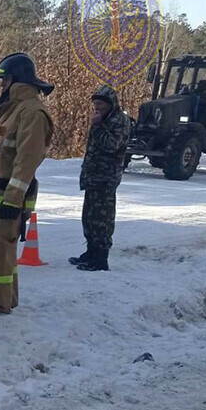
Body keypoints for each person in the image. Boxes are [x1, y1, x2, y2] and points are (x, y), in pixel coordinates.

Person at [0, 53, 54, 319]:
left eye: (4, 80)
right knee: (0, 247)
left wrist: (13, 198)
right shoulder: (14, 109)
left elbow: (26, 160)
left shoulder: (31, 112)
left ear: (16, 80)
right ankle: (5, 298)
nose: (1, 85)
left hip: (9, 193)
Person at [70, 85, 131, 271]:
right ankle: (91, 252)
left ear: (110, 104)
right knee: (89, 217)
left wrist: (97, 126)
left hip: (106, 178)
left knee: (101, 220)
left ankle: (100, 258)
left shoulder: (119, 121)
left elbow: (111, 145)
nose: (97, 107)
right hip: (93, 176)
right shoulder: (102, 120)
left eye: (101, 104)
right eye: (95, 104)